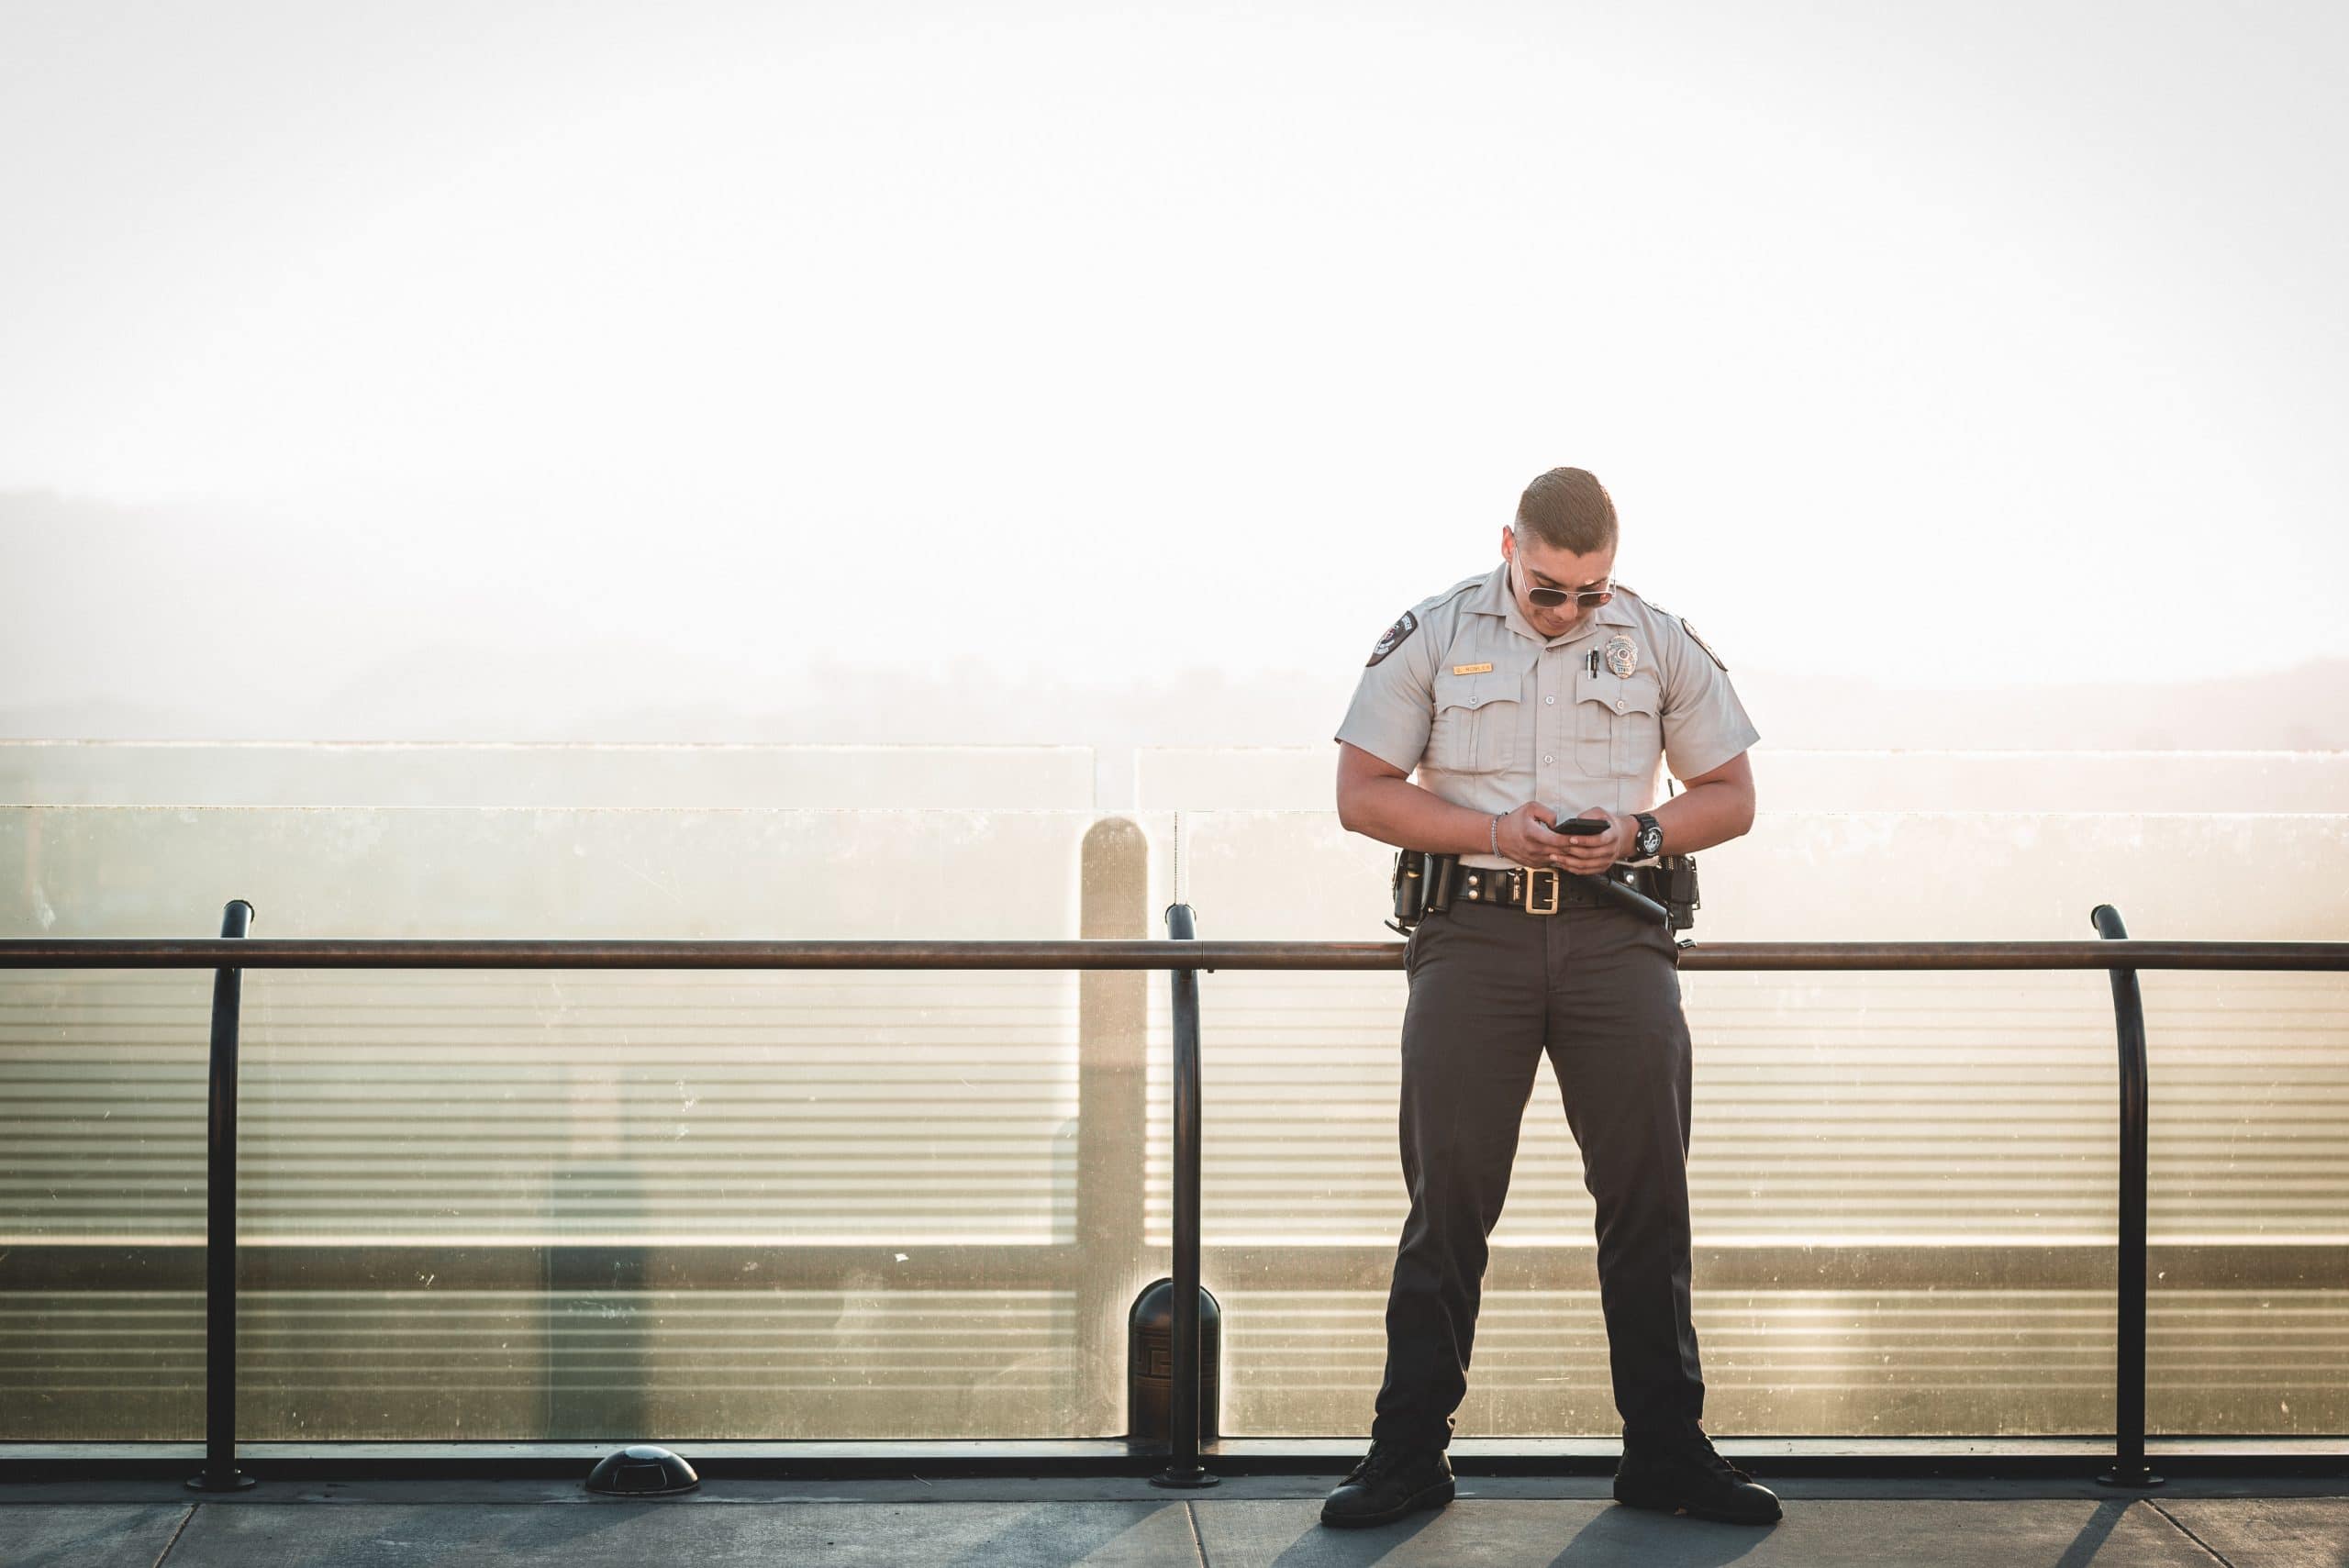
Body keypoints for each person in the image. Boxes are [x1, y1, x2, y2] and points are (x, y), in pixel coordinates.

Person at [1318, 466, 1779, 1529]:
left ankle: (1664, 1451)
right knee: (1450, 1200)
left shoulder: (1657, 639)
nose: (1569, 609)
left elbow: (1731, 794)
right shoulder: (1432, 632)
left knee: (1648, 1198)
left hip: (1619, 935)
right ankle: (1405, 1455)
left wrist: (1642, 831)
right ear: (1508, 549)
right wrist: (1491, 829)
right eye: (1547, 589)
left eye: (1590, 591)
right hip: (1471, 936)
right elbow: (1360, 792)